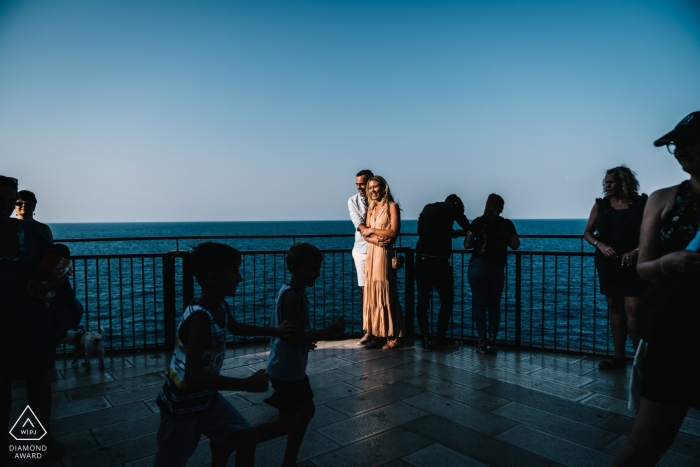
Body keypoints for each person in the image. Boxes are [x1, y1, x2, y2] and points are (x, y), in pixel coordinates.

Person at [154, 242, 295, 467]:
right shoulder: (200, 318)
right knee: (171, 461)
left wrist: (274, 331)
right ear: (213, 277)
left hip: (206, 399)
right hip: (183, 405)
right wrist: (246, 384)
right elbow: (193, 376)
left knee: (247, 437)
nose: (239, 278)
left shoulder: (219, 306)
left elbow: (236, 327)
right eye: (234, 272)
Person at [614, 111, 700, 466]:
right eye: (675, 144)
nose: (679, 150)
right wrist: (671, 263)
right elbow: (644, 268)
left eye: (689, 142)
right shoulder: (664, 198)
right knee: (645, 441)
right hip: (677, 329)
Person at [0, 176, 81, 461]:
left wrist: (54, 284)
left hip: (33, 317)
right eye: (4, 200)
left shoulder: (34, 233)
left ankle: (39, 441)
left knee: (37, 379)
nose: (7, 206)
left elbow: (61, 267)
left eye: (10, 201)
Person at [254, 242, 346, 466]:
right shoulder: (293, 297)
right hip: (286, 370)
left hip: (290, 367)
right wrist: (327, 332)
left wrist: (305, 342)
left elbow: (292, 335)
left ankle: (290, 460)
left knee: (306, 411)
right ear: (296, 268)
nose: (318, 274)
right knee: (288, 422)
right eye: (313, 269)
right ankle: (242, 438)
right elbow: (291, 338)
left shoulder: (292, 292)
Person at [583, 166, 647, 370]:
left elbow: (652, 233)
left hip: (633, 264)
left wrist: (636, 250)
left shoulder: (641, 204)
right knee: (615, 308)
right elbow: (588, 233)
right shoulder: (601, 205)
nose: (607, 185)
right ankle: (619, 357)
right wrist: (600, 245)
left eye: (611, 182)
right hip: (608, 264)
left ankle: (641, 362)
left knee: (634, 309)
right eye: (606, 182)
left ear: (624, 182)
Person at [464, 194, 519, 354]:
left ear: (487, 205)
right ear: (501, 207)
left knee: (479, 305)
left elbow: (467, 244)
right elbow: (515, 245)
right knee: (494, 305)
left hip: (478, 266)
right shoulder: (506, 224)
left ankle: (481, 341)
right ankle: (492, 340)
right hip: (496, 267)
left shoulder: (478, 222)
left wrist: (479, 242)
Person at [415, 195, 470, 350]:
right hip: (439, 262)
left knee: (423, 302)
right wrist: (455, 232)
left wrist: (443, 230)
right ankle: (440, 338)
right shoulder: (454, 208)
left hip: (422, 259)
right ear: (457, 204)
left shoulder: (427, 207)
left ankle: (425, 339)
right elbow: (468, 227)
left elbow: (420, 230)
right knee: (447, 300)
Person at [360, 175, 404, 349]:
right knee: (372, 293)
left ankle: (396, 335)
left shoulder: (392, 207)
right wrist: (375, 239)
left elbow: (393, 232)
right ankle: (378, 333)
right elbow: (365, 235)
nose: (372, 190)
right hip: (373, 252)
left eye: (375, 187)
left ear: (384, 188)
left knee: (386, 292)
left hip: (385, 254)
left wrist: (373, 231)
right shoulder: (371, 208)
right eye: (370, 188)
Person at [347, 169, 376, 345]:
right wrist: (378, 236)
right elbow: (360, 224)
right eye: (357, 184)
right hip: (362, 250)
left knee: (380, 292)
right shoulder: (353, 201)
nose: (359, 187)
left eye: (362, 184)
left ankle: (380, 329)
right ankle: (368, 330)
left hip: (378, 250)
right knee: (366, 293)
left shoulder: (380, 200)